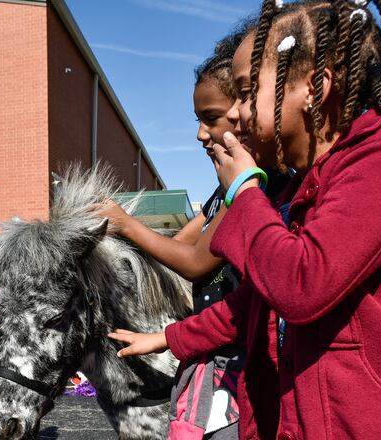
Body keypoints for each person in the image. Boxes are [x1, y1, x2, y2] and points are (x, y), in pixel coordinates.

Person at [109, 1, 381, 438]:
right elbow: (256, 301)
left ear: (314, 88)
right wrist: (171, 338)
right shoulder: (299, 186)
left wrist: (245, 193)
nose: (235, 113)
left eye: (247, 91)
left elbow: (303, 284)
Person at [98, 29, 287, 440]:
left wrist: (126, 222)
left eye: (212, 119)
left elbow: (195, 260)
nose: (202, 134)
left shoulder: (251, 186)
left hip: (237, 362)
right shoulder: (223, 192)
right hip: (212, 349)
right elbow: (180, 243)